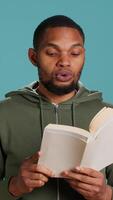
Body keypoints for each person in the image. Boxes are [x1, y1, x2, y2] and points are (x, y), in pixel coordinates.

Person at [0, 15, 113, 200]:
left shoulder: (109, 117)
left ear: (84, 55)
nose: (64, 62)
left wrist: (105, 194)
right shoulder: (3, 114)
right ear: (33, 57)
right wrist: (15, 186)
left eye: (75, 53)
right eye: (52, 53)